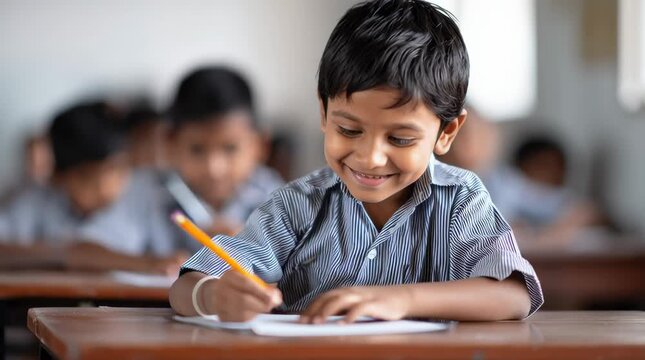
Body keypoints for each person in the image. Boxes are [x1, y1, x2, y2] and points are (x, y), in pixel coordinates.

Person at [169, 0, 543, 323]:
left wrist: (401, 299)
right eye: (348, 130)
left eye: (400, 138)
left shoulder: (460, 200)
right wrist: (214, 296)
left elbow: (514, 294)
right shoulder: (296, 207)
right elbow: (185, 287)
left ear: (447, 132)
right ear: (324, 112)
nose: (370, 157)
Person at [0, 101, 187, 274]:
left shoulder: (147, 193)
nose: (105, 187)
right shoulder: (35, 199)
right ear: (58, 177)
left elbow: (172, 256)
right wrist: (66, 254)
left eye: (116, 169)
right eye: (86, 176)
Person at [163, 66, 284, 252]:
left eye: (230, 149)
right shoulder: (147, 193)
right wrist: (152, 264)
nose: (214, 169)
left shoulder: (278, 198)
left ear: (260, 146)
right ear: (171, 144)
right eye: (197, 149)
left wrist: (251, 247)